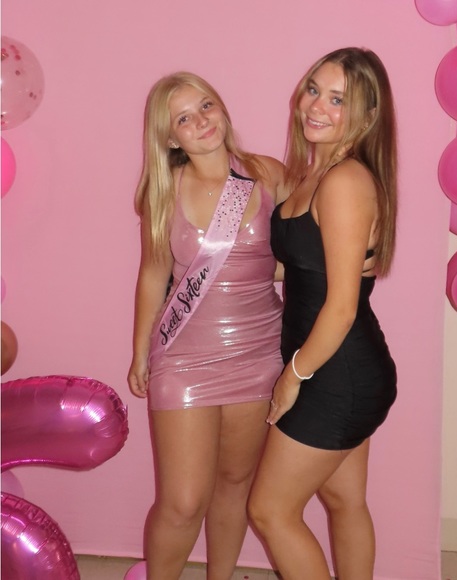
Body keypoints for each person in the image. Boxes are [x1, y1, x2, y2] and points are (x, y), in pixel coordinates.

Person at [127, 71, 285, 580]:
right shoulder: (164, 191)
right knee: (182, 502)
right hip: (184, 356)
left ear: (222, 108)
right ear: (171, 138)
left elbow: (299, 252)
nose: (200, 121)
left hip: (258, 351)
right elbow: (153, 274)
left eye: (206, 106)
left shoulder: (267, 174)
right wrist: (140, 352)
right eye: (183, 118)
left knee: (234, 484)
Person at [248, 47, 398, 580]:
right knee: (344, 501)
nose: (317, 106)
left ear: (368, 115)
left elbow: (340, 307)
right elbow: (308, 269)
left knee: (270, 512)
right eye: (314, 90)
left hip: (334, 372)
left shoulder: (344, 182)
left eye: (338, 99)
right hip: (338, 367)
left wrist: (293, 377)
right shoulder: (318, 174)